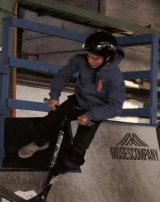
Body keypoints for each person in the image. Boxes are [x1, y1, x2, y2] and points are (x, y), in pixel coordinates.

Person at [18, 31, 126, 171]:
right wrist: (54, 96)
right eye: (89, 56)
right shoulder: (79, 60)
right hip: (77, 101)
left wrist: (90, 115)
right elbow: (63, 75)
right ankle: (39, 143)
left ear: (108, 57)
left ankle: (59, 174)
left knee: (76, 154)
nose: (90, 61)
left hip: (96, 109)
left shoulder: (115, 77)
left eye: (96, 58)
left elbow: (116, 107)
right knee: (48, 122)